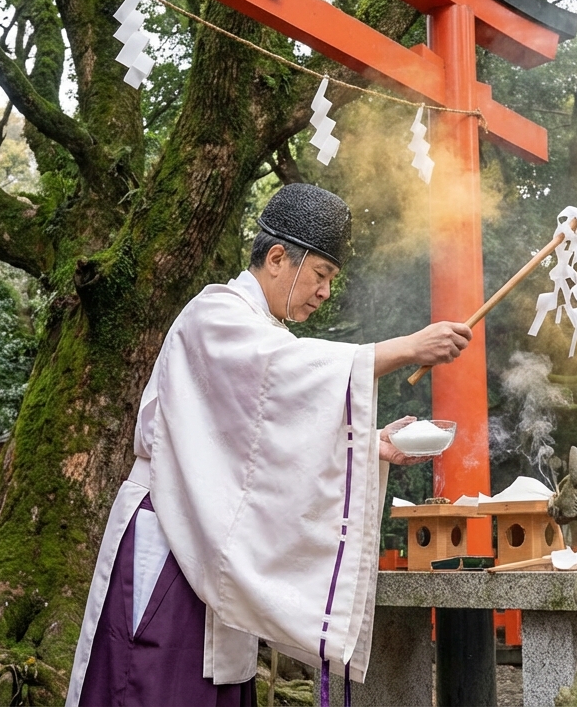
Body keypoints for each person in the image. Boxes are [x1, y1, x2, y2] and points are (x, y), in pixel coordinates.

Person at [67, 183, 473, 707]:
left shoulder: (263, 332)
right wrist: (406, 348)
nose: (326, 291)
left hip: (213, 540)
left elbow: (265, 441)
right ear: (278, 257)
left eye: (331, 279)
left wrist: (371, 447)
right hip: (171, 536)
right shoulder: (213, 315)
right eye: (321, 275)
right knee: (152, 685)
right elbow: (282, 378)